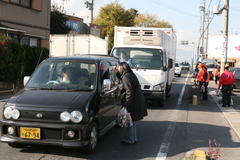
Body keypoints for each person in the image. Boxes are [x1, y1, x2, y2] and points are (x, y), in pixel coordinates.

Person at [116, 62, 148, 145]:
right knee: (132, 121)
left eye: (118, 68)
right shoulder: (130, 74)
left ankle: (129, 140)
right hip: (136, 100)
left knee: (129, 122)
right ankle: (133, 139)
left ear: (122, 68)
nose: (117, 69)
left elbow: (129, 92)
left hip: (132, 102)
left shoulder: (126, 77)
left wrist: (126, 105)